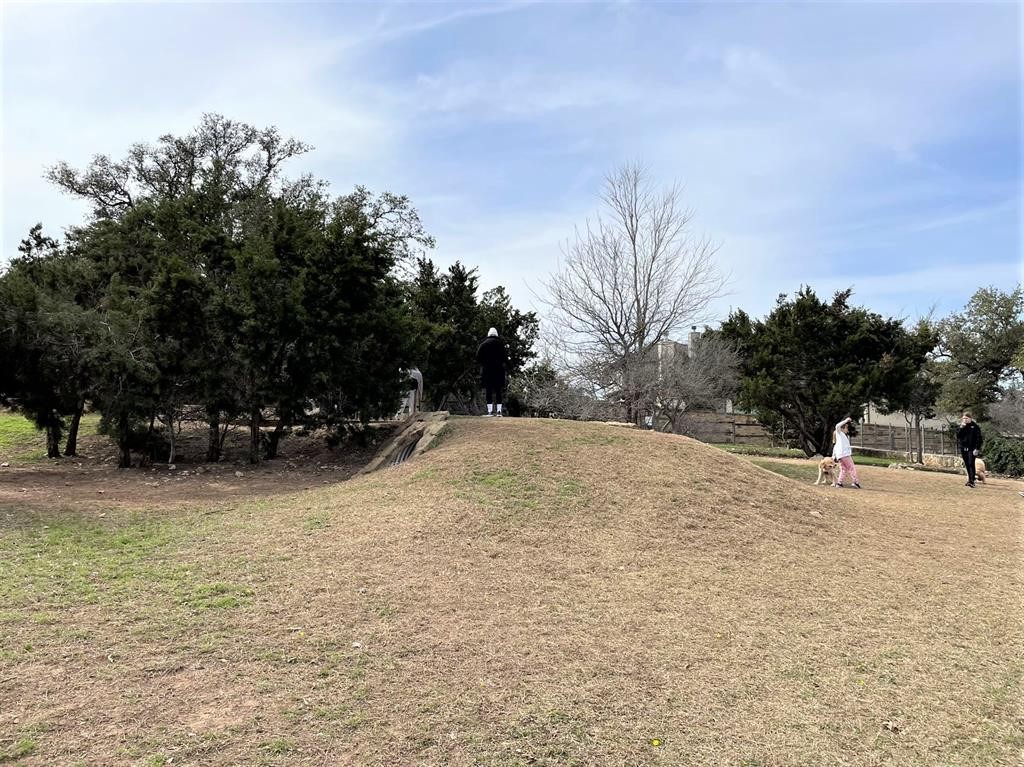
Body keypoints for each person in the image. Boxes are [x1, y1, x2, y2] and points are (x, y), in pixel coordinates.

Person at [476, 327, 508, 417]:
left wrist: (484, 363)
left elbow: (477, 356)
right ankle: (499, 412)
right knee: (498, 391)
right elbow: (505, 358)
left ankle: (489, 412)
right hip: (499, 370)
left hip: (487, 370)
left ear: (488, 334)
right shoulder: (501, 344)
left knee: (488, 390)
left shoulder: (483, 344)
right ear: (496, 334)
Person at [832, 416, 861, 489]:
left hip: (840, 456)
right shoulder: (839, 433)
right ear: (842, 428)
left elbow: (835, 447)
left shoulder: (842, 436)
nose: (847, 430)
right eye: (846, 428)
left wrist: (834, 456)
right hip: (845, 455)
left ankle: (839, 483)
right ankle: (855, 482)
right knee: (852, 468)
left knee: (843, 469)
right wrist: (846, 420)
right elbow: (837, 425)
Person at [956, 411, 983, 488]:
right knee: (967, 464)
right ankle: (969, 480)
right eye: (963, 418)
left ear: (970, 418)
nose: (965, 420)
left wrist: (977, 448)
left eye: (966, 418)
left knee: (971, 463)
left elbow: (979, 438)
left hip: (972, 448)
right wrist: (961, 428)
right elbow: (958, 436)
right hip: (963, 447)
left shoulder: (975, 427)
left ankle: (972, 481)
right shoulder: (962, 426)